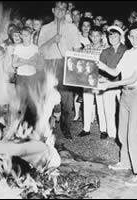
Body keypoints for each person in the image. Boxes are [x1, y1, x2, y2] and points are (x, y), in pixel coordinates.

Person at [96, 23, 137, 186]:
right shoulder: (128, 53)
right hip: (125, 94)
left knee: (133, 135)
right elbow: (115, 72)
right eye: (132, 36)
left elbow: (133, 78)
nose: (135, 39)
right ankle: (125, 162)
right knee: (122, 132)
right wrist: (101, 66)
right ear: (128, 37)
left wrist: (109, 85)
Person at [38, 1, 81, 139]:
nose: (60, 11)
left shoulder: (72, 28)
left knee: (67, 100)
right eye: (58, 8)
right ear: (53, 10)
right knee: (48, 97)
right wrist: (52, 40)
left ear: (66, 11)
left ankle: (66, 127)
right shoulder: (45, 28)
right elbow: (40, 49)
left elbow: (77, 48)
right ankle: (48, 127)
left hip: (65, 63)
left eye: (63, 9)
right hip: (49, 64)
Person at [99, 25, 127, 139]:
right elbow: (100, 68)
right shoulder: (105, 51)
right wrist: (102, 78)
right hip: (108, 84)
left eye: (115, 36)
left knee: (123, 110)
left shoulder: (127, 50)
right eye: (110, 36)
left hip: (122, 84)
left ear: (120, 37)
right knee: (108, 109)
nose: (112, 38)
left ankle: (124, 132)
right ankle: (112, 133)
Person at [78, 26, 106, 137]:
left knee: (100, 105)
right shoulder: (86, 48)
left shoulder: (105, 48)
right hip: (88, 79)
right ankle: (86, 129)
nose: (95, 38)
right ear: (89, 36)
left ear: (101, 36)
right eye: (92, 36)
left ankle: (103, 129)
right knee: (87, 104)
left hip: (100, 79)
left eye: (97, 35)